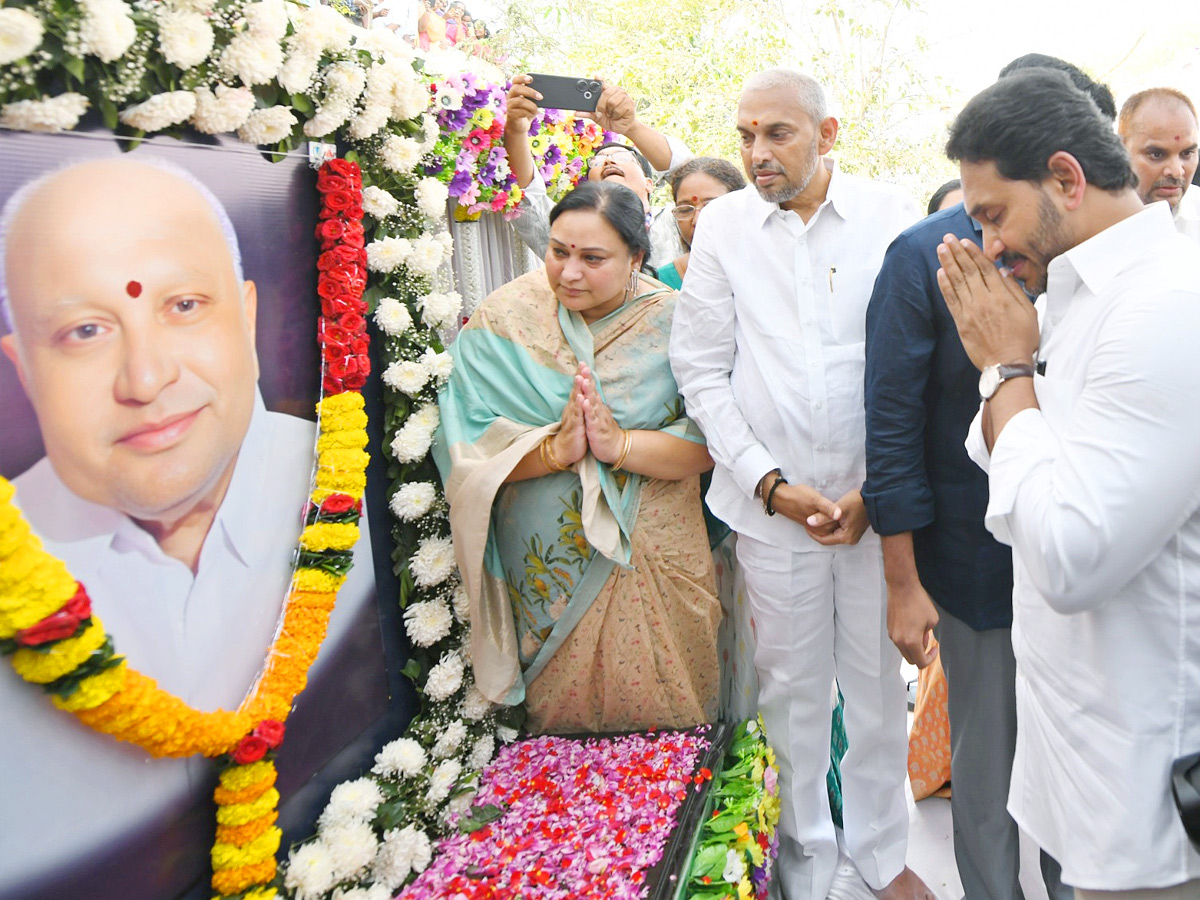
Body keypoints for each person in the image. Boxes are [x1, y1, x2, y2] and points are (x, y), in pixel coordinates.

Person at [0, 157, 377, 898]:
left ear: (246, 313)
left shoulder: (353, 489)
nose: (145, 379)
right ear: (23, 369)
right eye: (84, 330)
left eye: (182, 306)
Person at [940, 67, 1200, 897]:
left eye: (993, 214)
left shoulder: (1165, 305)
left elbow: (1072, 557)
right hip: (1082, 763)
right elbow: (1006, 466)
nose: (987, 244)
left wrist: (1005, 368)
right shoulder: (1071, 293)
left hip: (1147, 795)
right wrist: (1007, 377)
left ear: (1064, 178)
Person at [670, 68, 929, 900]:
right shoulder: (722, 229)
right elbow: (701, 370)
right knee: (792, 694)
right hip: (772, 514)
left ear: (829, 133)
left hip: (874, 513)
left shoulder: (890, 217)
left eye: (777, 133)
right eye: (745, 134)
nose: (756, 153)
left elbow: (917, 364)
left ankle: (886, 851)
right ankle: (808, 857)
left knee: (881, 693)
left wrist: (876, 493)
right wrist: (768, 484)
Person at [865, 54, 1115, 900]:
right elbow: (891, 426)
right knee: (987, 774)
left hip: (1087, 568)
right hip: (977, 568)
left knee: (1076, 779)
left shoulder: (1102, 266)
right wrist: (904, 581)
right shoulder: (918, 258)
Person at [434, 180, 721, 734]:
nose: (569, 273)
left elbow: (713, 444)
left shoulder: (679, 323)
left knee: (666, 729)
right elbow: (463, 442)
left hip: (653, 548)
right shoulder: (506, 317)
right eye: (558, 252)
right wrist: (553, 451)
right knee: (558, 748)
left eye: (593, 259)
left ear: (637, 257)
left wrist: (620, 446)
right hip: (542, 566)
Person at [504, 75, 692, 269]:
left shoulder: (679, 220)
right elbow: (529, 200)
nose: (609, 161)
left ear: (649, 183)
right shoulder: (569, 227)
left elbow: (692, 174)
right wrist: (515, 130)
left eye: (622, 157)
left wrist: (631, 127)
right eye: (598, 161)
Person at [1118, 87, 1200, 242]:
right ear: (1120, 149)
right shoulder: (1093, 227)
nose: (1176, 171)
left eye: (1187, 153)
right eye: (1157, 155)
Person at [657, 157, 746, 290]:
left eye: (711, 207)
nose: (697, 220)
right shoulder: (660, 285)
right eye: (685, 210)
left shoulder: (769, 267)